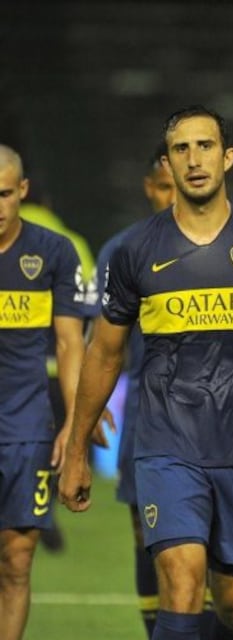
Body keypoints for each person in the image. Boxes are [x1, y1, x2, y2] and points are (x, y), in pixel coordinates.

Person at [58, 105, 233, 640]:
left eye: (205, 147)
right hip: (166, 445)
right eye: (182, 149)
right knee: (181, 582)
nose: (194, 159)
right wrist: (77, 445)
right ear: (168, 162)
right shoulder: (134, 250)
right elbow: (104, 353)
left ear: (228, 157)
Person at [0, 144, 89, 640]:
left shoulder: (53, 252)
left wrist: (75, 422)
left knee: (16, 559)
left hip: (26, 429)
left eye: (4, 195)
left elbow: (70, 342)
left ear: (23, 192)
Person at [92, 145, 182, 638]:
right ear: (150, 187)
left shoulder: (231, 245)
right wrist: (93, 402)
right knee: (146, 536)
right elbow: (100, 343)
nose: (174, 199)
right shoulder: (122, 251)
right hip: (148, 417)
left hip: (217, 419)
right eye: (164, 187)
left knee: (204, 551)